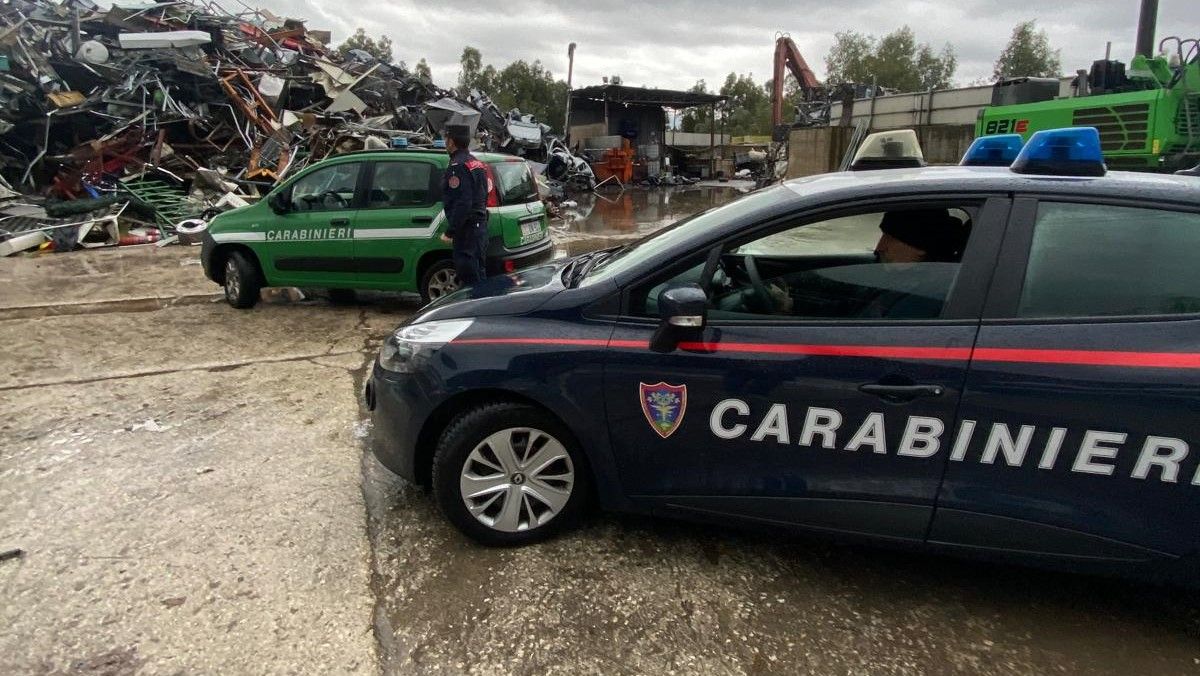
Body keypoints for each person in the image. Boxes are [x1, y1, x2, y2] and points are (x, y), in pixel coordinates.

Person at [440, 124, 489, 285]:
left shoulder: (457, 167)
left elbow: (463, 202)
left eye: (446, 138)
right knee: (479, 274)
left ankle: (476, 310)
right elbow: (483, 195)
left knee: (469, 277)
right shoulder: (476, 163)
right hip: (478, 228)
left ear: (451, 141)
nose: (445, 142)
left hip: (466, 231)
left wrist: (450, 232)